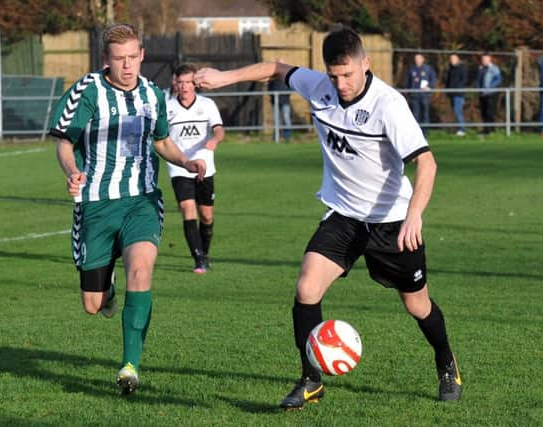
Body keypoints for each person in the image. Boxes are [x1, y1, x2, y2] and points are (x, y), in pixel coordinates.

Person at [195, 28, 461, 409]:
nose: (341, 84)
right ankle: (310, 379)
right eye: (334, 76)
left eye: (348, 75)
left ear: (365, 64)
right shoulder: (320, 87)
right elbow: (276, 67)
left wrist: (414, 215)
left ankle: (446, 362)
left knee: (417, 306)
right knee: (306, 289)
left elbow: (427, 163)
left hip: (392, 222)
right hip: (344, 216)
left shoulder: (389, 105)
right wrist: (225, 78)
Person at [48, 24, 205, 395]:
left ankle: (130, 365)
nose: (127, 65)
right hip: (96, 206)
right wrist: (73, 172)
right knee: (93, 305)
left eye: (133, 57)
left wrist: (186, 161)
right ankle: (108, 290)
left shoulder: (152, 95)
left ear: (142, 56)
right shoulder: (88, 91)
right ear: (106, 60)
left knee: (141, 268)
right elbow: (64, 143)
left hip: (142, 200)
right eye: (119, 59)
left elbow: (162, 141)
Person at [166, 63, 224, 273]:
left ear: (195, 84)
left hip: (205, 165)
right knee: (187, 208)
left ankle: (204, 252)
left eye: (188, 82)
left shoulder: (207, 105)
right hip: (180, 167)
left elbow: (218, 130)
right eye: (180, 82)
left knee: (206, 215)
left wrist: (214, 141)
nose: (184, 86)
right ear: (176, 84)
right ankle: (198, 258)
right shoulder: (168, 107)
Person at [406, 54, 437, 136]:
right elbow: (407, 81)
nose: (417, 60)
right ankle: (416, 133)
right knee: (415, 114)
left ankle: (425, 133)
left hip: (425, 95)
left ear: (423, 59)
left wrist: (429, 87)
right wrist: (409, 91)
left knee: (425, 114)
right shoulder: (411, 69)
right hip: (414, 96)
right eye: (415, 58)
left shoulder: (428, 69)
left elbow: (433, 79)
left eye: (419, 58)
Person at [476, 52, 502, 135]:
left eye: (486, 59)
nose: (484, 60)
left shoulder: (494, 68)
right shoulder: (480, 68)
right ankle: (486, 129)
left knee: (490, 112)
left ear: (489, 59)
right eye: (483, 59)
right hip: (482, 93)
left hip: (491, 93)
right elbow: (478, 80)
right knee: (483, 112)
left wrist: (491, 86)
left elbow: (498, 79)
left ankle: (491, 129)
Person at [444, 54, 468, 136]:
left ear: (458, 59)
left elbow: (464, 80)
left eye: (454, 58)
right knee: (455, 110)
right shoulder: (449, 68)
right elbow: (447, 80)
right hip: (451, 93)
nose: (452, 60)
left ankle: (462, 129)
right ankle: (459, 128)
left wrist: (457, 88)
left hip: (459, 93)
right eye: (451, 58)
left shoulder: (462, 68)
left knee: (458, 110)